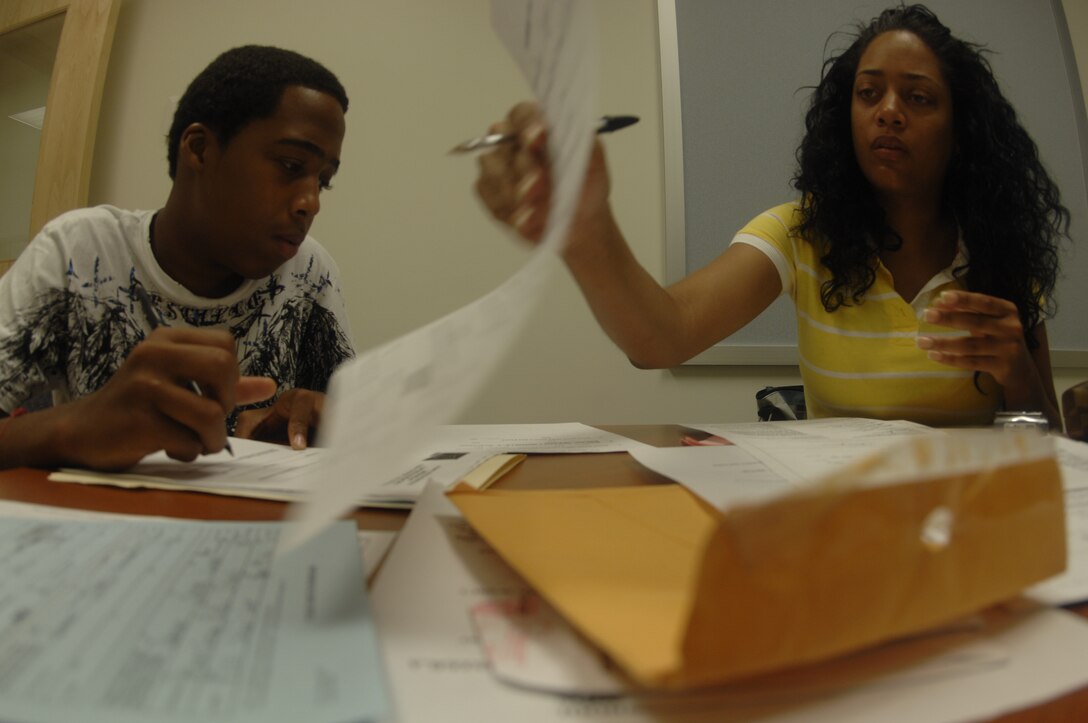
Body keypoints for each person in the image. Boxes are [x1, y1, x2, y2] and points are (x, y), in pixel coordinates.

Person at [475, 3, 1068, 429]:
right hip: (839, 530)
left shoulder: (1000, 251)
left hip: (966, 533)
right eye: (869, 93)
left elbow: (1049, 444)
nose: (888, 112)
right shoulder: (802, 233)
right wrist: (586, 226)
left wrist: (1018, 374)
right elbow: (661, 337)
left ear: (960, 131)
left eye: (917, 97)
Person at [0, 45, 354, 470]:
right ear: (200, 149)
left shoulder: (309, 272)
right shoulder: (80, 255)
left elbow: (351, 428)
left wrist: (316, 421)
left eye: (324, 181)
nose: (311, 202)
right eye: (290, 164)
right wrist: (74, 426)